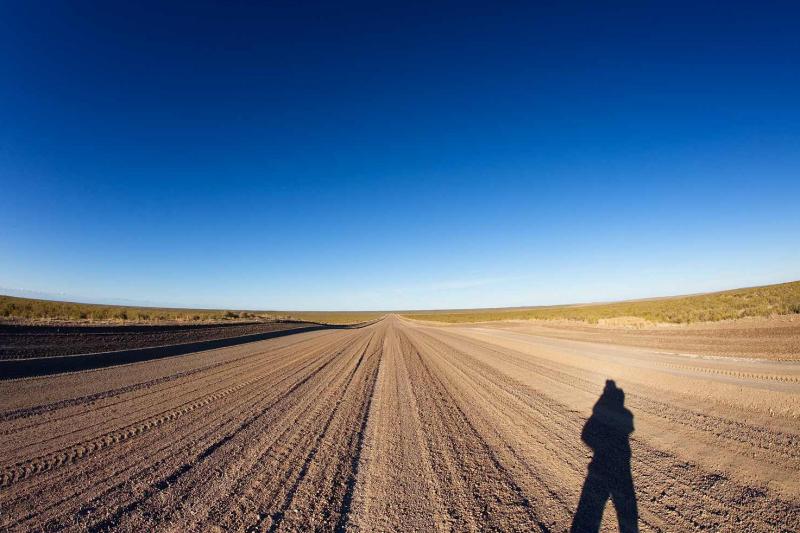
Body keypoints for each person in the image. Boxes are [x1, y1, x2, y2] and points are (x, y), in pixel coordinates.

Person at [571, 380, 638, 533]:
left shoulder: (599, 413)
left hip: (601, 466)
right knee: (626, 511)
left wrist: (601, 448)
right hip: (621, 466)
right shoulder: (625, 414)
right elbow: (629, 428)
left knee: (590, 511)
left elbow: (585, 435)